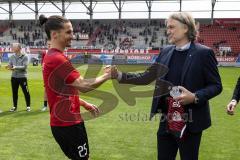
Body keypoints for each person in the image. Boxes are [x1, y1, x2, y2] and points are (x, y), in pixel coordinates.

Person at [111, 12, 222, 160]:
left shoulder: (204, 53)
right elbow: (147, 76)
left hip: (190, 122)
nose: (167, 30)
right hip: (166, 121)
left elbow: (216, 85)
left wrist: (195, 97)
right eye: (167, 27)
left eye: (171, 27)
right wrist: (119, 75)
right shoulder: (166, 52)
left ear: (185, 28)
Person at [39, 14, 112, 160]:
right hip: (67, 124)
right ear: (54, 34)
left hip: (67, 121)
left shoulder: (54, 56)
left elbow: (63, 91)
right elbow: (83, 85)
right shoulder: (56, 58)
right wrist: (108, 75)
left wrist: (84, 103)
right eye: (68, 32)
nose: (73, 36)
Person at [6, 43, 31, 112]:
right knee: (14, 92)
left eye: (14, 47)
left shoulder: (25, 56)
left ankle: (28, 106)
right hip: (14, 77)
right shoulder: (12, 56)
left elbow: (24, 67)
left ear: (19, 48)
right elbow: (10, 65)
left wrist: (15, 67)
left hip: (22, 77)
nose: (12, 48)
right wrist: (9, 67)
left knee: (26, 91)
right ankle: (14, 106)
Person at [41, 41, 50, 111]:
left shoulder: (57, 52)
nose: (49, 46)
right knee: (46, 90)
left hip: (55, 74)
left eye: (50, 44)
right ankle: (45, 106)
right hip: (47, 74)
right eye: (48, 44)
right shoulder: (45, 53)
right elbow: (42, 64)